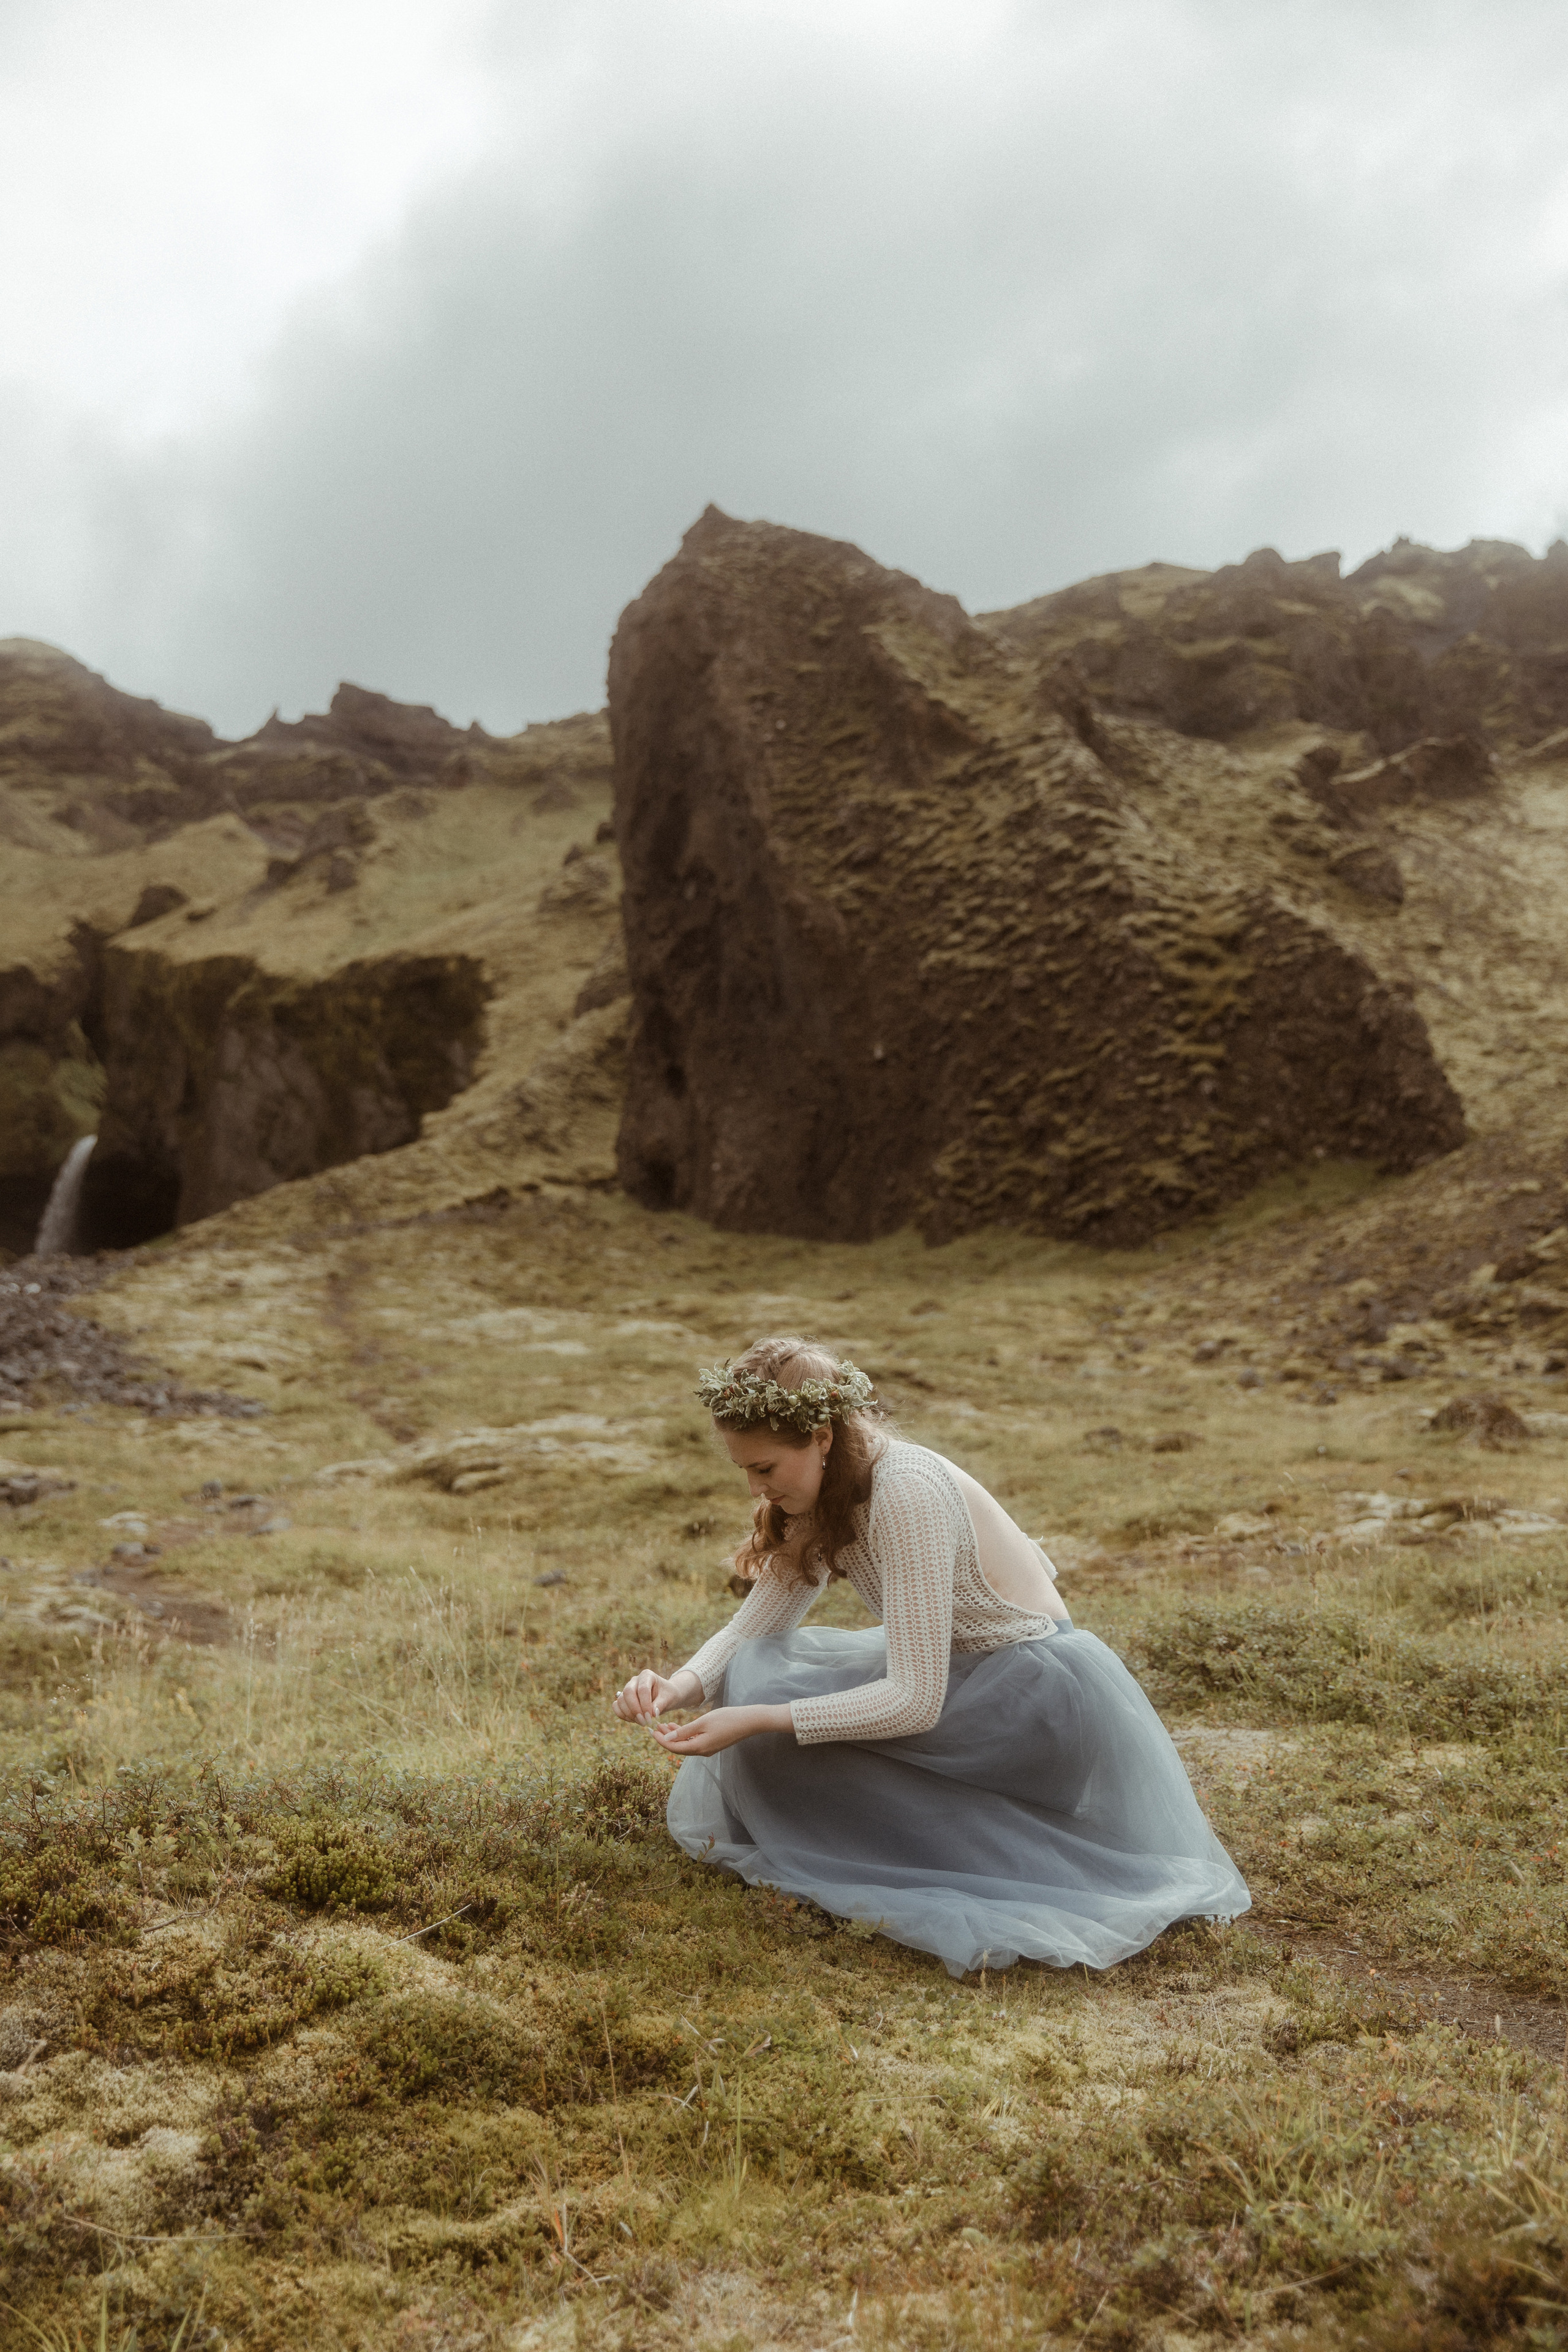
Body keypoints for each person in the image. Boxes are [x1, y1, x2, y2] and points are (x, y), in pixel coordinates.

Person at [613, 1336, 1250, 1978]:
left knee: (766, 1721)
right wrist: (679, 1685)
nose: (756, 1486)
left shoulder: (905, 1491)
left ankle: (923, 1846)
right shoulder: (823, 1493)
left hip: (1034, 1703)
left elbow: (913, 1701)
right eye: (745, 1470)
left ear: (824, 1437)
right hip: (965, 1681)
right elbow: (752, 1629)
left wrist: (758, 1719)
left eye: (766, 1468)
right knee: (755, 1676)